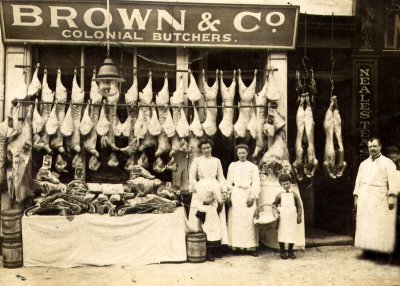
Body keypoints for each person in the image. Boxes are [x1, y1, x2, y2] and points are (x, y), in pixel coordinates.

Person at [353, 137, 398, 256]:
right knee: (365, 223)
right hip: (364, 198)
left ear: (380, 147)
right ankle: (367, 250)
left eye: (374, 146)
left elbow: (393, 181)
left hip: (379, 197)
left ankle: (380, 252)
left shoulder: (387, 162)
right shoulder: (363, 164)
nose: (372, 149)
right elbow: (358, 181)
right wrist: (356, 197)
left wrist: (392, 197)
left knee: (378, 223)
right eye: (370, 147)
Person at [188, 139, 228, 261]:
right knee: (202, 218)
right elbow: (192, 177)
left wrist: (224, 190)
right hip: (201, 190)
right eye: (204, 148)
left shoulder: (217, 161)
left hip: (215, 189)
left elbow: (221, 177)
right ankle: (203, 248)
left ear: (211, 148)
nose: (206, 150)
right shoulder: (197, 161)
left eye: (208, 148)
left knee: (216, 219)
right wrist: (199, 190)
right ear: (201, 149)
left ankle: (217, 247)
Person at [226, 143, 260, 256]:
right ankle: (237, 246)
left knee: (249, 221)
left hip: (248, 193)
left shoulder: (253, 166)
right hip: (236, 194)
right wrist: (228, 195)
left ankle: (251, 247)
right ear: (237, 154)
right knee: (237, 221)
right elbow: (229, 181)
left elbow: (256, 182)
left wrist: (253, 196)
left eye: (243, 153)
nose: (241, 155)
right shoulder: (233, 165)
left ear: (247, 153)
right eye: (239, 153)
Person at [272, 173, 302, 259]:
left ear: (290, 183)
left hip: (292, 217)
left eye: (287, 183)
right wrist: (275, 214)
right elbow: (274, 205)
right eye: (284, 184)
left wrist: (299, 216)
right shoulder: (279, 195)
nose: (286, 185)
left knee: (291, 233)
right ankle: (282, 251)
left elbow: (299, 206)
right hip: (283, 218)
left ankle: (290, 251)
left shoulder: (294, 194)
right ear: (281, 185)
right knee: (283, 233)